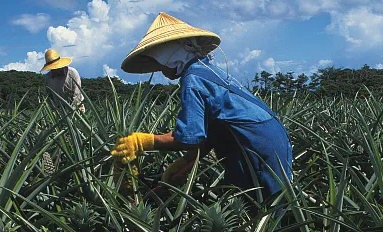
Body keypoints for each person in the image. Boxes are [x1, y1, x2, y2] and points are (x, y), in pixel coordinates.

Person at [110, 13, 292, 199]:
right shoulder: (207, 71)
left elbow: (189, 139)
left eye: (160, 64)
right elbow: (212, 132)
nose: (161, 71)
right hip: (270, 137)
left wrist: (142, 141)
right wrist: (184, 164)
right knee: (274, 201)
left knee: (256, 203)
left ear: (169, 56)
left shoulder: (193, 80)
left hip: (254, 143)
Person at [41, 48, 85, 113]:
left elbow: (77, 94)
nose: (55, 69)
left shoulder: (72, 73)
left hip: (76, 109)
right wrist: (53, 111)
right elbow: (47, 96)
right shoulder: (48, 77)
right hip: (59, 111)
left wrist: (72, 111)